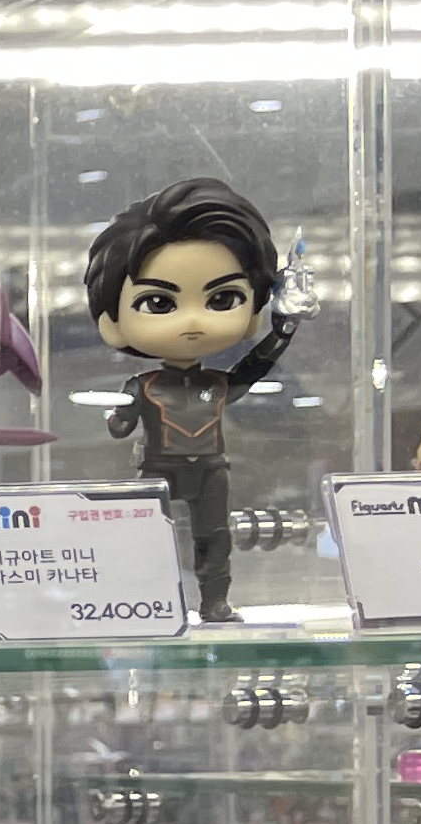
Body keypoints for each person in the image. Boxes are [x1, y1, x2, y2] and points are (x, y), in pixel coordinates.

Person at [87, 177, 302, 626]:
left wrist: (284, 328)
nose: (192, 322)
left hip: (209, 468)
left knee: (214, 537)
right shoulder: (144, 385)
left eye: (222, 299)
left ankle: (214, 602)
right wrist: (118, 417)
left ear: (252, 312)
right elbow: (120, 426)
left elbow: (256, 365)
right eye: (158, 302)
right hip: (159, 468)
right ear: (113, 323)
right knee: (148, 537)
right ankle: (150, 603)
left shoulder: (219, 384)